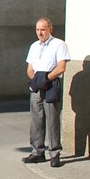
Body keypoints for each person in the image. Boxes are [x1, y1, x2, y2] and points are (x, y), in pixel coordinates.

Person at [23, 17, 70, 168]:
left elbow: (61, 67)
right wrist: (37, 81)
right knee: (36, 119)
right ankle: (37, 152)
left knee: (52, 119)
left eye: (43, 29)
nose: (40, 33)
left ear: (50, 29)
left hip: (51, 83)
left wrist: (46, 80)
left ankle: (55, 153)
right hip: (37, 84)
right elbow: (30, 69)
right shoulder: (34, 46)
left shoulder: (59, 44)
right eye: (37, 30)